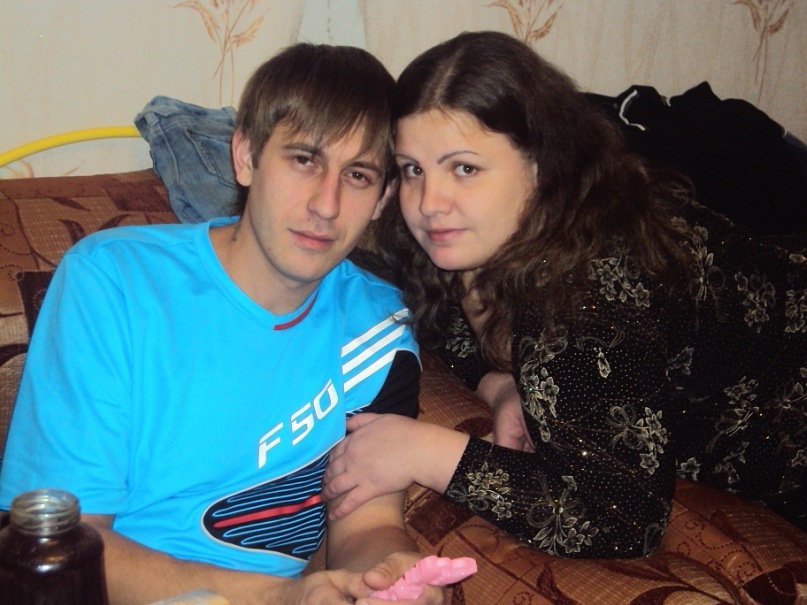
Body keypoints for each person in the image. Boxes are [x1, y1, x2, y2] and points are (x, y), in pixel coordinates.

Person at [322, 30, 807, 559]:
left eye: (465, 168)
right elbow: (444, 322)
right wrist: (498, 383)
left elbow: (621, 521)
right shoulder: (464, 239)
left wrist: (428, 451)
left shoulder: (588, 293)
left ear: (542, 164)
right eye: (413, 168)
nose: (429, 201)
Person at [0, 43, 443, 605]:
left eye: (357, 175)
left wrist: (387, 577)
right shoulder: (113, 282)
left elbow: (366, 524)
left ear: (382, 199)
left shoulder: (378, 329)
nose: (326, 205)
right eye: (304, 160)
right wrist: (273, 597)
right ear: (246, 156)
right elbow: (61, 545)